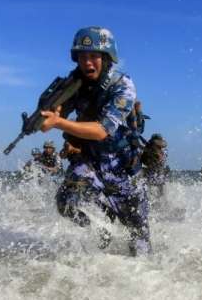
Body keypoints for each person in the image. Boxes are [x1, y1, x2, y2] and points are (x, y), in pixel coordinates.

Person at [42, 26, 151, 256]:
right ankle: (102, 230)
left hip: (124, 170)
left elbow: (102, 130)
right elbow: (57, 110)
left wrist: (58, 123)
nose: (87, 63)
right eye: (82, 57)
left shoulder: (122, 85)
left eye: (93, 56)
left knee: (140, 248)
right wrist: (50, 111)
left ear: (106, 57)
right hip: (90, 162)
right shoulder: (73, 83)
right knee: (67, 201)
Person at [141, 133, 170, 201]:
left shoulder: (152, 150)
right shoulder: (164, 150)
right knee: (161, 193)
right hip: (160, 177)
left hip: (152, 176)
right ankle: (163, 203)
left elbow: (144, 160)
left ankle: (150, 201)